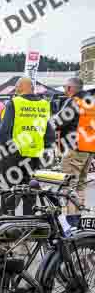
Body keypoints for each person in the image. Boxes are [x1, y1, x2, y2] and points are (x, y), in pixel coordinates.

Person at [0, 77, 56, 215]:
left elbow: (3, 132)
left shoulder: (14, 103)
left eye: (17, 87)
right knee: (31, 190)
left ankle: (8, 221)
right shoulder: (44, 105)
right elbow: (49, 134)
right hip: (35, 155)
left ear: (20, 88)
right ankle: (28, 222)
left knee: (10, 189)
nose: (15, 90)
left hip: (14, 154)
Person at [55, 77, 94, 214]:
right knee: (80, 185)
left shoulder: (74, 101)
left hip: (75, 148)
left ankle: (70, 220)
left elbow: (59, 121)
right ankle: (77, 218)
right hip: (89, 149)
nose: (65, 90)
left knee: (68, 184)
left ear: (70, 88)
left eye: (65, 87)